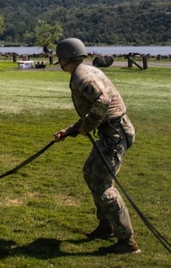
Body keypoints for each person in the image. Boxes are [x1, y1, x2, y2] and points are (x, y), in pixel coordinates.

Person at [53, 37, 141, 255]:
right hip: (110, 132)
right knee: (90, 171)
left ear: (65, 59)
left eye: (60, 59)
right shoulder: (86, 71)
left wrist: (87, 126)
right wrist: (70, 131)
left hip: (115, 134)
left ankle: (127, 241)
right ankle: (106, 226)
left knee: (102, 185)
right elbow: (94, 108)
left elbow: (102, 103)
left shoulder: (83, 77)